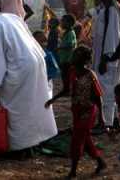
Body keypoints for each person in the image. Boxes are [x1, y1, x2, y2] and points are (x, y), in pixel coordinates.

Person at [0, 0, 57, 152]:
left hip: (20, 69)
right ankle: (37, 139)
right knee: (34, 103)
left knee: (17, 107)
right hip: (36, 62)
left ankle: (20, 146)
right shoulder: (11, 17)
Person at [45, 46, 106, 179]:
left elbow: (98, 97)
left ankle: (73, 171)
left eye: (77, 55)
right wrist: (52, 99)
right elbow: (66, 89)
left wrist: (102, 117)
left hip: (88, 111)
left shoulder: (90, 75)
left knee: (77, 139)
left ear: (84, 59)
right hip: (76, 110)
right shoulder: (72, 71)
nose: (74, 57)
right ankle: (100, 162)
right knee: (86, 139)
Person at [92, 0, 120, 129]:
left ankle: (107, 123)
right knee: (105, 88)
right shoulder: (106, 8)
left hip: (108, 58)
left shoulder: (112, 9)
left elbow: (113, 36)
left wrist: (105, 59)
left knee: (107, 91)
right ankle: (109, 120)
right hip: (102, 57)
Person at [33, 30, 61, 98]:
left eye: (45, 41)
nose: (44, 43)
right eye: (41, 41)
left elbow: (56, 69)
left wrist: (47, 76)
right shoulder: (31, 53)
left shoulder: (48, 54)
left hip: (45, 83)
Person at [58, 14, 77, 81]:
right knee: (64, 75)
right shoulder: (66, 32)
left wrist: (60, 47)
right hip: (64, 58)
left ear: (69, 23)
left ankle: (67, 89)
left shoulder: (71, 33)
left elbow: (70, 45)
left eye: (63, 21)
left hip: (68, 59)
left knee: (66, 76)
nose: (61, 23)